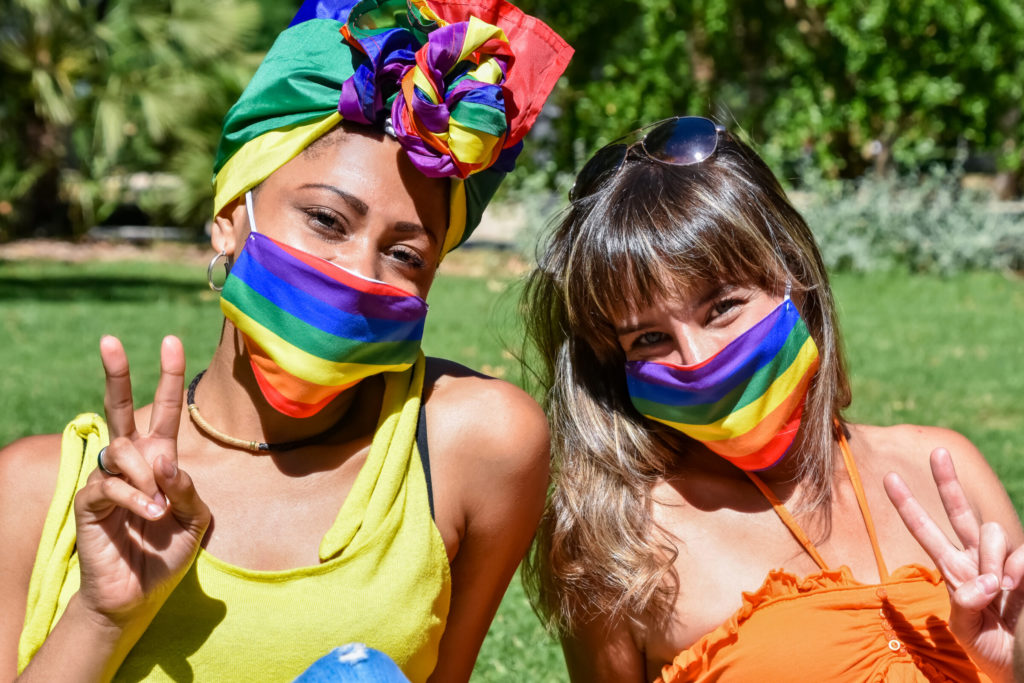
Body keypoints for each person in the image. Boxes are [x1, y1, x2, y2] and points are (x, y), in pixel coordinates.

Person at [0, 1, 571, 681]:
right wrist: (100, 614)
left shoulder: (467, 448)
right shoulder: (37, 490)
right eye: (327, 219)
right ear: (227, 220)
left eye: (406, 254)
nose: (359, 274)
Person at [521, 115, 1024, 681]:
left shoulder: (945, 467)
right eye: (650, 338)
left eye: (723, 306)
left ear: (793, 274)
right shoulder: (621, 540)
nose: (697, 359)